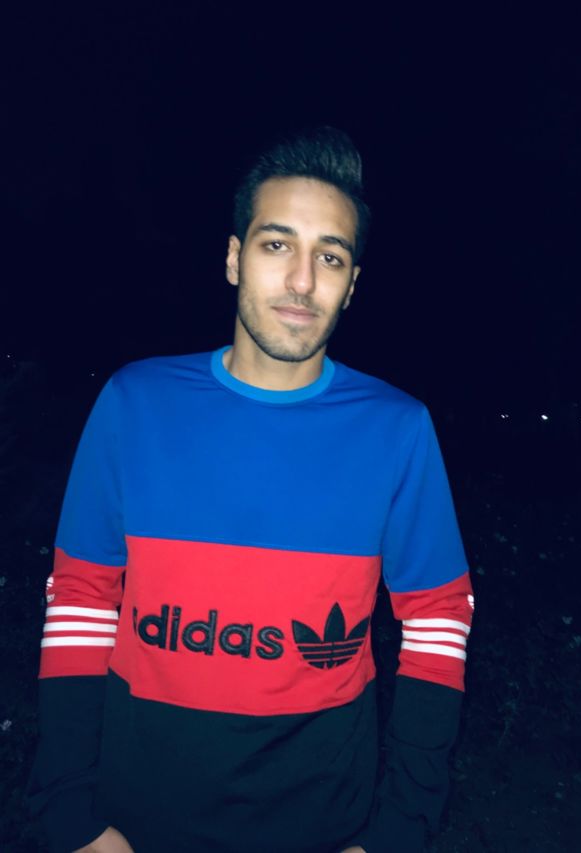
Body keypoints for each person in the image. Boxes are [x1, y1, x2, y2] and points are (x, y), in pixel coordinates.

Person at [28, 126, 474, 853]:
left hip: (324, 826)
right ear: (234, 258)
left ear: (352, 283)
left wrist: (399, 829)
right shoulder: (136, 402)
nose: (302, 280)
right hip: (133, 823)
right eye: (276, 244)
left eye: (329, 256)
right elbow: (81, 596)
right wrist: (70, 808)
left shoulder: (397, 428)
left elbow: (438, 619)